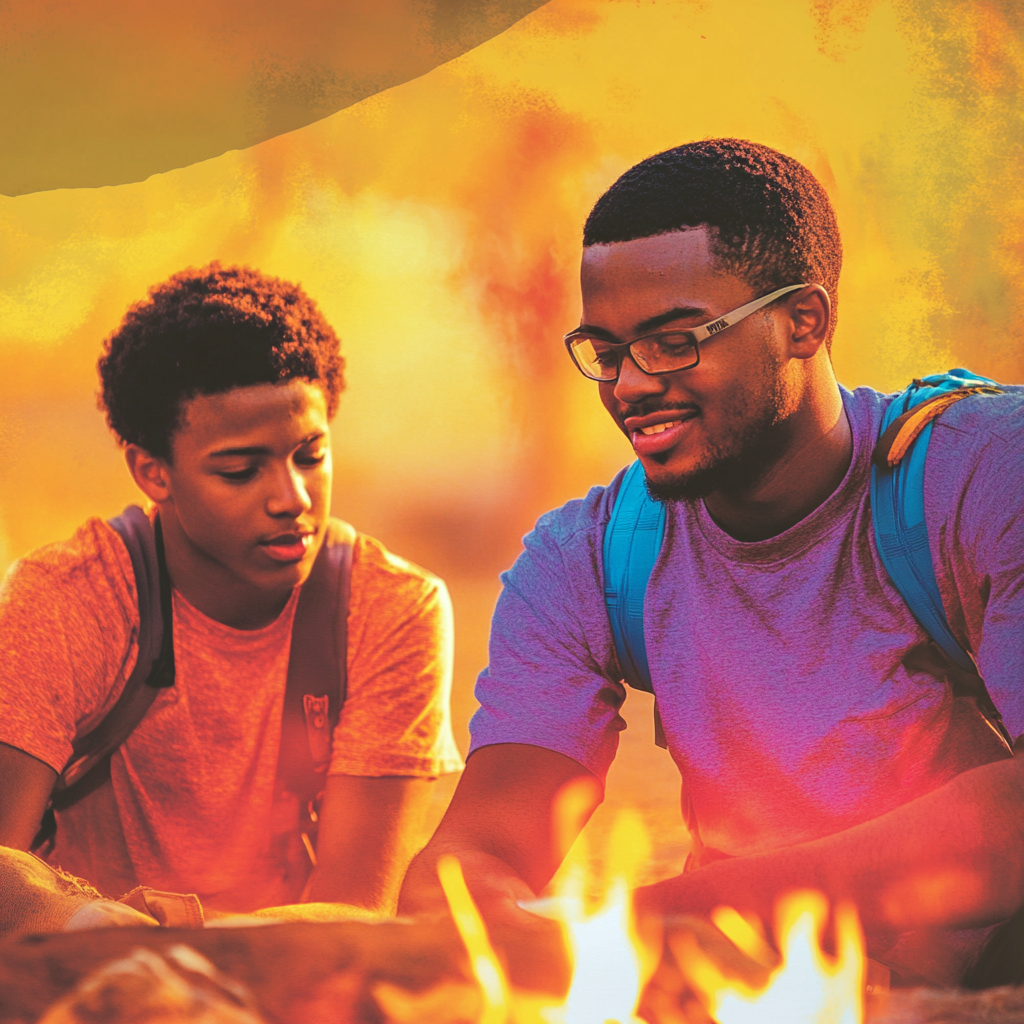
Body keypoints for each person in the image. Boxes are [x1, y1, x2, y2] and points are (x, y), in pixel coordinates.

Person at [399, 139, 1024, 987]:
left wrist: (673, 913)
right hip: (762, 988)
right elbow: (476, 850)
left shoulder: (979, 473)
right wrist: (482, 915)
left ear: (806, 319)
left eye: (674, 341)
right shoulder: (584, 560)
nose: (628, 386)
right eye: (609, 351)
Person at [0, 262, 463, 924]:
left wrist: (181, 936)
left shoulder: (391, 609)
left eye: (310, 456)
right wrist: (96, 926)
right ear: (152, 472)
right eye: (241, 471)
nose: (293, 499)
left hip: (292, 985)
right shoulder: (66, 599)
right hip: (86, 977)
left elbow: (355, 912)